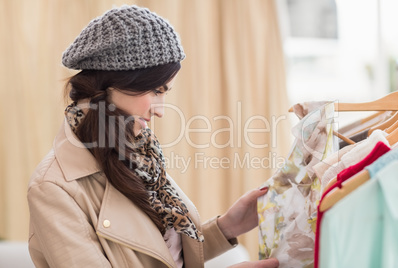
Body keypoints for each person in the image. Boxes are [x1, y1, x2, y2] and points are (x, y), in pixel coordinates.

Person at [27, 5, 279, 268]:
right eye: (155, 90)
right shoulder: (53, 189)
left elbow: (161, 255)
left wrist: (227, 226)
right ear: (114, 84)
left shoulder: (139, 154)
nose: (160, 111)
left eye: (165, 93)